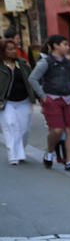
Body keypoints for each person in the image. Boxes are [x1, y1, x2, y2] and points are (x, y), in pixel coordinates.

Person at [28, 34, 70, 171]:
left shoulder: (69, 63)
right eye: (64, 44)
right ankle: (50, 151)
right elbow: (32, 78)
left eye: (67, 45)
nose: (67, 47)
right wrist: (43, 96)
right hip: (52, 99)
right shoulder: (46, 62)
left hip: (69, 99)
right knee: (57, 130)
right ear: (55, 46)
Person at [0, 38, 34, 166]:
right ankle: (14, 156)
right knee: (11, 126)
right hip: (6, 102)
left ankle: (20, 151)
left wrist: (38, 96)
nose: (14, 51)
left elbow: (32, 80)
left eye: (15, 48)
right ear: (3, 51)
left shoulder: (22, 63)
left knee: (24, 129)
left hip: (24, 100)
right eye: (10, 49)